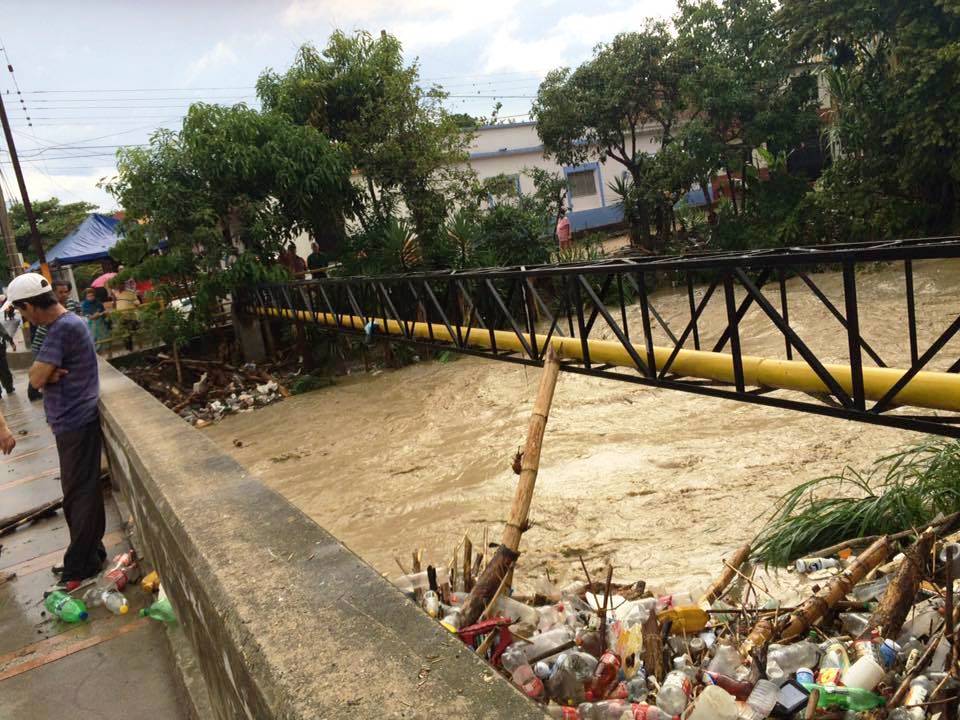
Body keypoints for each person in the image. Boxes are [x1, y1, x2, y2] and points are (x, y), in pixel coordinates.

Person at [4, 273, 104, 590]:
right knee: (79, 491)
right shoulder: (63, 326)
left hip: (76, 420)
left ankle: (80, 564)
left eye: (21, 311)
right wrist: (46, 373)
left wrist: (45, 375)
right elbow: (38, 374)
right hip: (71, 420)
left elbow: (33, 379)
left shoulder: (61, 330)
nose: (22, 317)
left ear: (31, 306)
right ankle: (91, 552)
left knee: (80, 493)